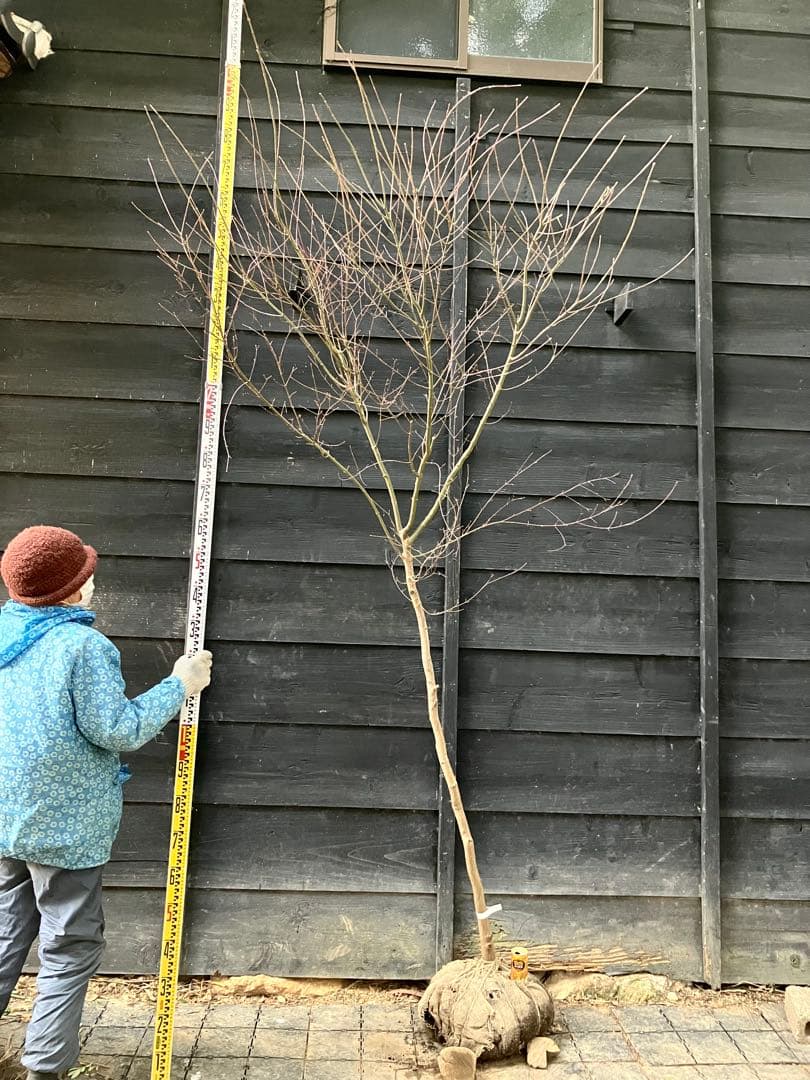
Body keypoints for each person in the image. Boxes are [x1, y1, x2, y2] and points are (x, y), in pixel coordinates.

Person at [0, 525, 212, 1080]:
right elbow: (118, 729)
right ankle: (45, 1068)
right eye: (86, 573)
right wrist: (180, 684)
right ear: (73, 589)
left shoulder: (2, 631)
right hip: (65, 828)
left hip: (6, 816)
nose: (92, 580)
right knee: (69, 944)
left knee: (6, 930)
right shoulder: (84, 648)